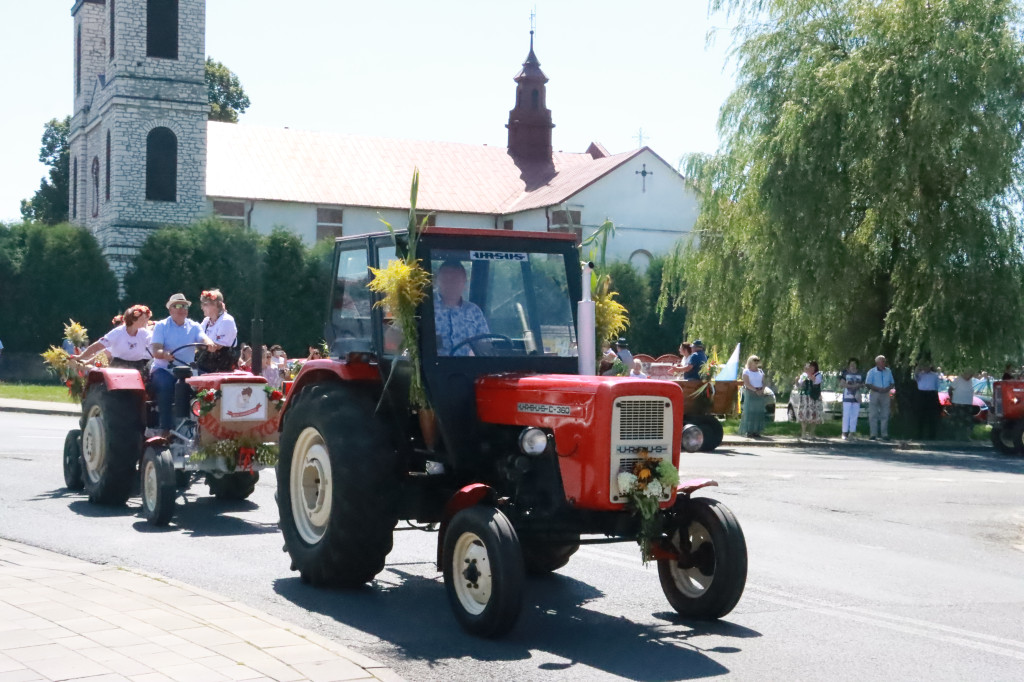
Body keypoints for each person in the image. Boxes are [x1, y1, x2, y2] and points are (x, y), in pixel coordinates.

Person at [151, 293, 214, 436]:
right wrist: (165, 354)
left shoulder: (194, 326)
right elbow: (156, 350)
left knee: (210, 386)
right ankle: (165, 428)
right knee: (166, 385)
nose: (182, 309)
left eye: (184, 306)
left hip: (187, 371)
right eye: (177, 306)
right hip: (164, 369)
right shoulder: (161, 326)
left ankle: (207, 427)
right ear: (170, 309)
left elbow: (202, 338)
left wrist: (208, 343)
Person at [70, 305, 153, 373]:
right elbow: (98, 346)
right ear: (134, 320)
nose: (146, 321)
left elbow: (156, 343)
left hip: (138, 367)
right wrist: (80, 357)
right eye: (143, 319)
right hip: (118, 366)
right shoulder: (118, 332)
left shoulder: (145, 333)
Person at [434, 260, 489, 357]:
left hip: (469, 368)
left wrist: (475, 355)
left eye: (455, 280)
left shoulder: (474, 311)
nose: (451, 284)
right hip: (434, 369)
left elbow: (485, 345)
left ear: (464, 282)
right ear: (437, 281)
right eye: (446, 279)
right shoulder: (426, 309)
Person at [196, 289, 239, 373]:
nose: (202, 307)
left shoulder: (227, 320)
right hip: (205, 365)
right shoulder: (206, 321)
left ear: (216, 305)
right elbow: (197, 336)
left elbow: (216, 347)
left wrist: (199, 344)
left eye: (205, 304)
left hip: (222, 367)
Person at [865, 355, 894, 441]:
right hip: (875, 393)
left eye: (884, 361)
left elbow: (892, 383)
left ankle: (884, 434)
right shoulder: (871, 371)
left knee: (885, 414)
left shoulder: (888, 371)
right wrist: (878, 389)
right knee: (873, 414)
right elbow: (868, 383)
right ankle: (873, 434)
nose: (884, 363)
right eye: (882, 361)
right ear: (877, 362)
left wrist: (887, 389)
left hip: (885, 393)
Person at [739, 355, 767, 438]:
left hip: (760, 392)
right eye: (755, 361)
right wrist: (755, 390)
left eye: (757, 361)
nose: (756, 362)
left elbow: (764, 382)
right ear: (750, 362)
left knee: (758, 412)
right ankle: (749, 431)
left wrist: (761, 390)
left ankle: (757, 431)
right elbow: (747, 383)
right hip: (751, 392)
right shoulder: (746, 371)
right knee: (750, 412)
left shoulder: (761, 371)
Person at [796, 361, 824, 439]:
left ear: (815, 367)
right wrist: (797, 381)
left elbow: (815, 381)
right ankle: (803, 433)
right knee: (803, 415)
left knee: (814, 415)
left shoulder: (818, 375)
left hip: (813, 397)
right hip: (804, 397)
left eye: (811, 367)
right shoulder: (804, 375)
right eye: (808, 367)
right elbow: (800, 384)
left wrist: (808, 373)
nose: (810, 368)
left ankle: (812, 433)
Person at [914, 361, 940, 440]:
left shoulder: (935, 375)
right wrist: (918, 367)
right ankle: (919, 435)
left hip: (931, 394)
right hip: (922, 394)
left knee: (932, 415)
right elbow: (915, 375)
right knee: (920, 415)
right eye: (924, 366)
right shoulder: (920, 375)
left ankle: (932, 436)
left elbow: (937, 386)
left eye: (928, 366)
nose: (926, 368)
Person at [840, 358, 864, 440]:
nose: (852, 366)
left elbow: (863, 383)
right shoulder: (845, 372)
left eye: (854, 364)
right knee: (846, 415)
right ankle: (844, 433)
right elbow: (842, 383)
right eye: (851, 364)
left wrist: (858, 386)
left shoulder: (860, 373)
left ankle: (852, 432)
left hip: (856, 397)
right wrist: (852, 386)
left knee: (854, 415)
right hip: (847, 397)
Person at [950, 370, 975, 439]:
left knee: (968, 421)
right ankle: (956, 437)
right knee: (957, 421)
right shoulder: (958, 379)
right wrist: (951, 398)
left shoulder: (971, 381)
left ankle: (966, 437)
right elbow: (950, 389)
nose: (970, 376)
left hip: (968, 403)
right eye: (970, 374)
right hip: (958, 403)